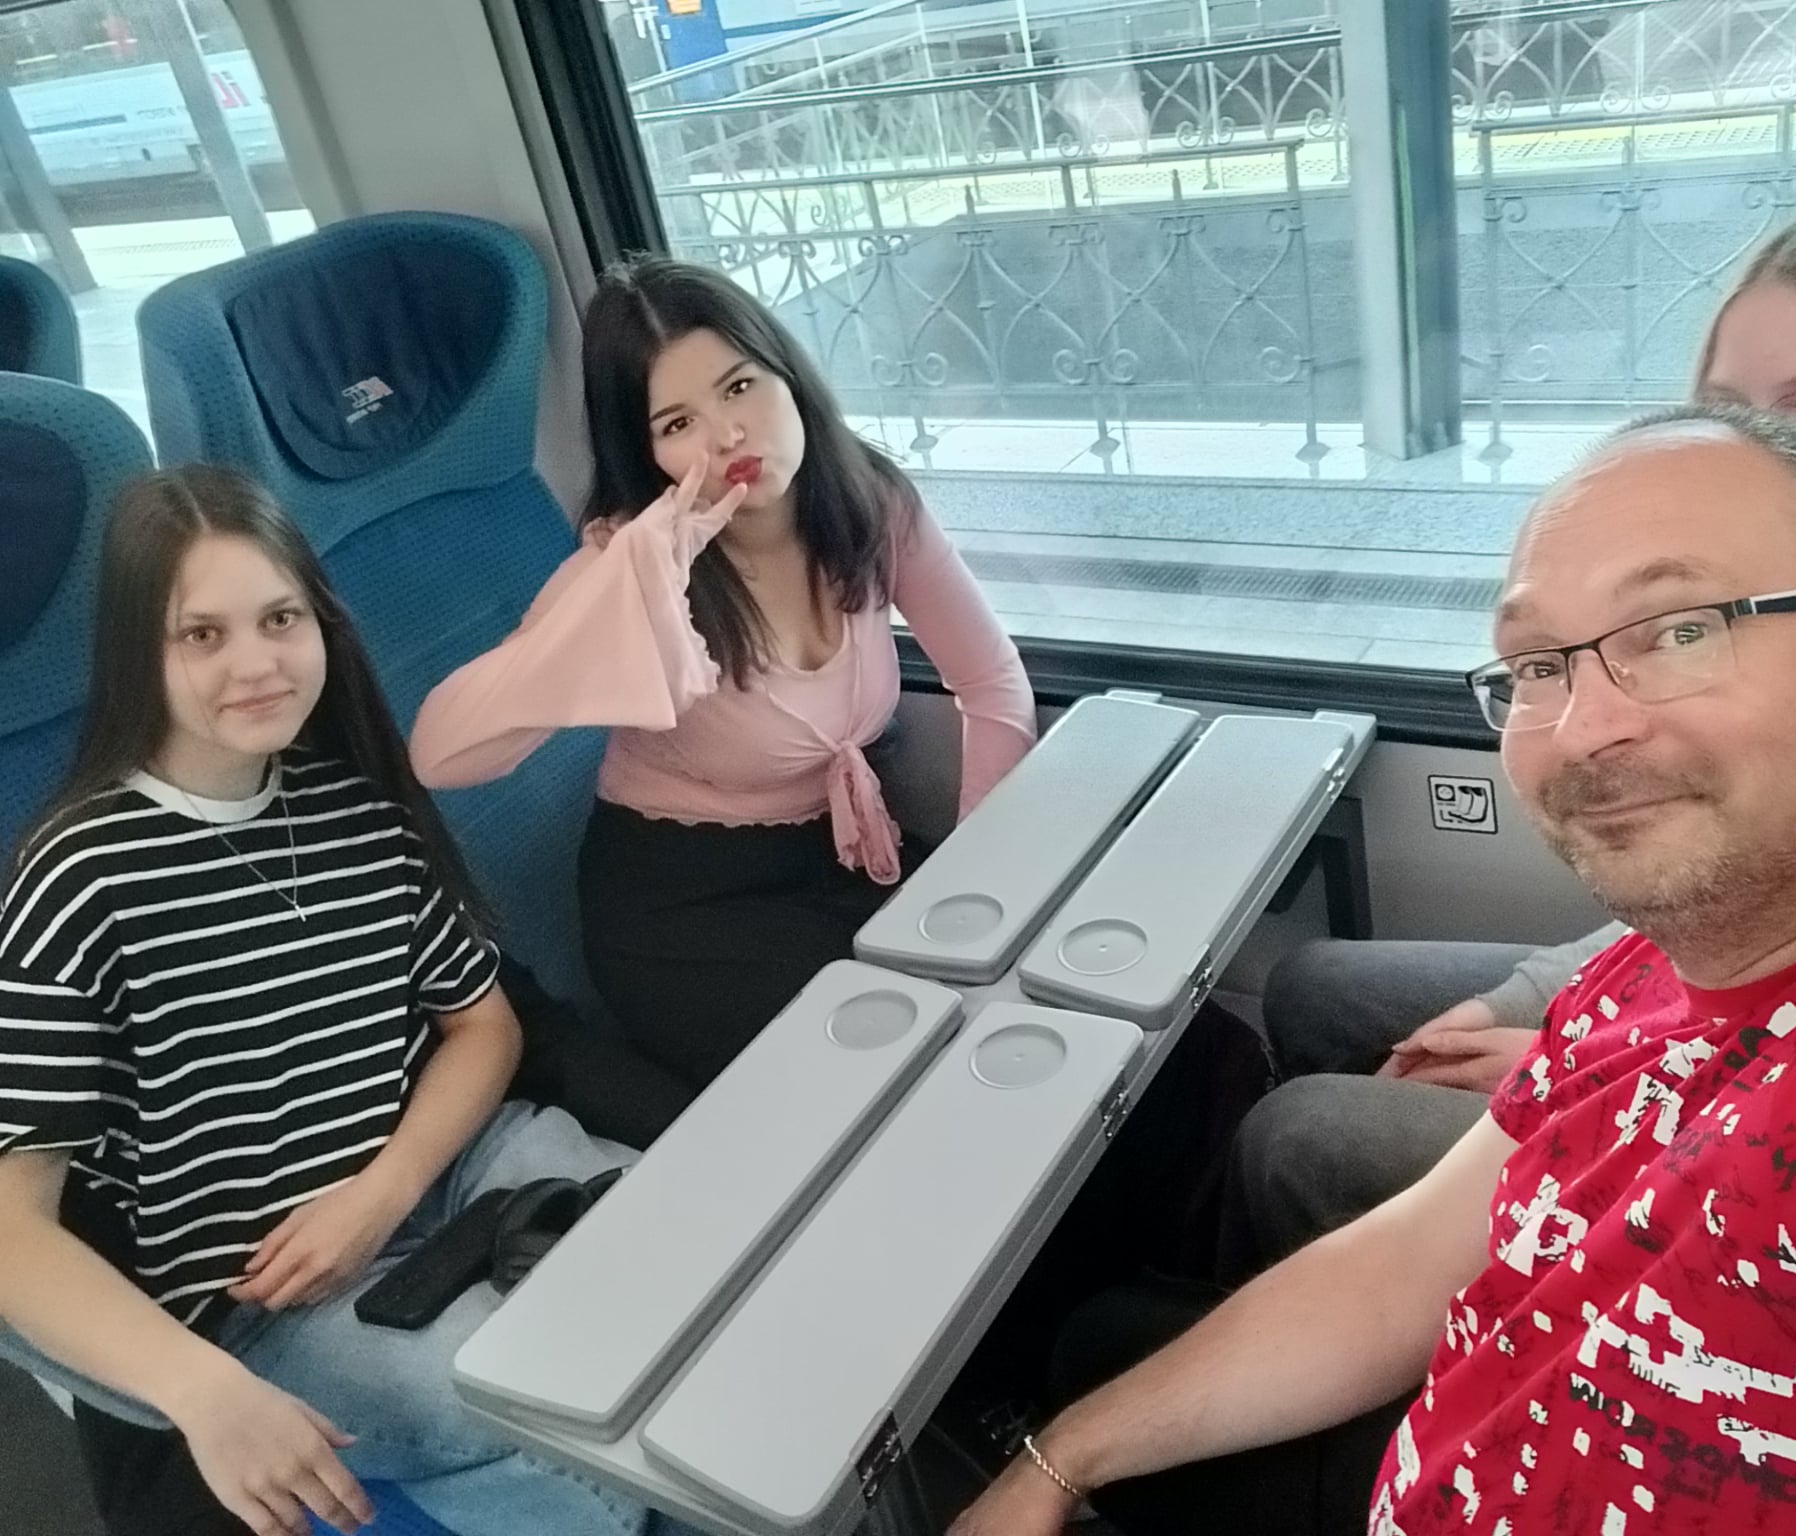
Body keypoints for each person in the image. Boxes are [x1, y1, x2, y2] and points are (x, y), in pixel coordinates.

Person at [951, 402, 1796, 1536]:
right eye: (1537, 665)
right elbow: (1409, 1261)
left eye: (1679, 631)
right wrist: (1055, 1461)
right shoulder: (1661, 963)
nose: (1581, 730)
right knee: (1097, 1349)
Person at [1230, 195, 1796, 1274]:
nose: (1751, 450)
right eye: (1723, 410)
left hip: (1764, 1105)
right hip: (1691, 1001)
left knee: (1297, 1135)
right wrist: (1531, 1008)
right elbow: (1716, 906)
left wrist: (1563, 1064)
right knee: (1309, 984)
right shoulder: (1786, 590)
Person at [0, 467, 682, 1536]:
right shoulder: (78, 877)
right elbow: (12, 1230)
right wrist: (202, 1392)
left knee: (703, 1275)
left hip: (455, 1168)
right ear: (139, 654)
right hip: (279, 1299)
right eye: (201, 635)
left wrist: (384, 1189)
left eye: (280, 619)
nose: (256, 663)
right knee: (575, 1430)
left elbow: (482, 1023)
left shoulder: (359, 806)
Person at [410, 257, 1035, 1129]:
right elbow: (440, 754)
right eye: (678, 423)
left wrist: (977, 870)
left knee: (1016, 1005)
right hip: (684, 910)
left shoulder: (869, 501)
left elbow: (990, 681)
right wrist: (610, 600)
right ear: (648, 455)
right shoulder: (634, 565)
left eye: (740, 386)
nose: (727, 435)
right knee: (923, 1090)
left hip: (842, 852)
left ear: (786, 374)